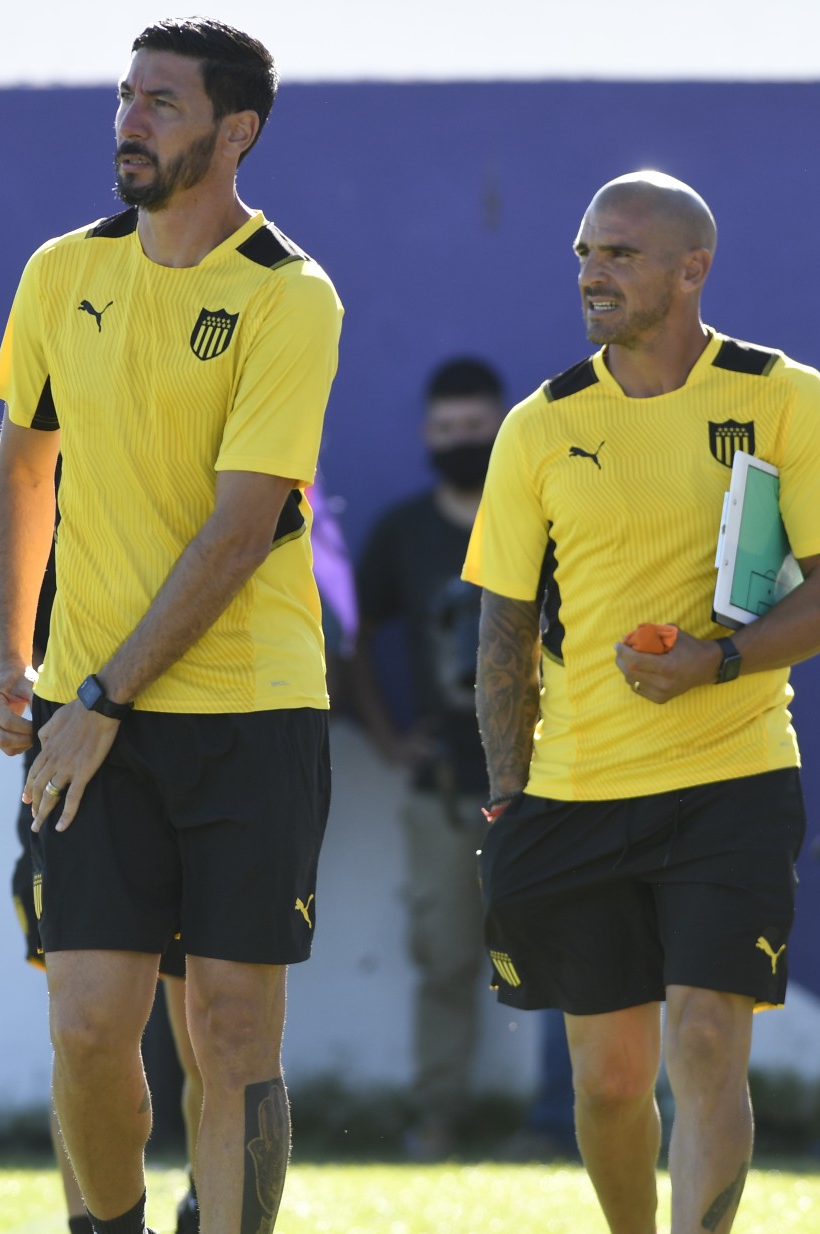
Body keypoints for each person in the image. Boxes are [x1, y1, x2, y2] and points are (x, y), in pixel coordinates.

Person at [0, 19, 343, 1234]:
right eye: (126, 96)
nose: (130, 120)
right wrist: (17, 664)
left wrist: (99, 701)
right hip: (87, 714)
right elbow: (23, 472)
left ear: (234, 132)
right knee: (85, 1024)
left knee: (231, 1030)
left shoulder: (289, 295)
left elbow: (242, 530)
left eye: (162, 103)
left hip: (248, 712)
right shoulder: (57, 272)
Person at [466, 171, 820, 1234]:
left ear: (693, 268)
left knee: (703, 1038)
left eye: (619, 254)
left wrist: (719, 663)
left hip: (732, 777)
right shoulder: (539, 425)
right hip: (574, 789)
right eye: (583, 255)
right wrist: (508, 794)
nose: (591, 274)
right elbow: (504, 633)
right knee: (607, 1080)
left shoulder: (784, 395)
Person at [0, 446, 202, 1234]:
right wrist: (19, 681)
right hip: (70, 771)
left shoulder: (198, 426)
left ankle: (208, 1202)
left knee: (210, 1024)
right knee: (86, 1034)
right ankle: (91, 1222)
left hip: (206, 752)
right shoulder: (17, 459)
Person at [350, 356, 507, 1160]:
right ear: (425, 435)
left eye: (475, 429)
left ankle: (570, 1121)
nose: (460, 442)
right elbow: (352, 637)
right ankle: (437, 1119)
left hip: (548, 780)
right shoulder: (403, 533)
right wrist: (385, 735)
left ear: (502, 427)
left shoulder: (534, 517)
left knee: (584, 955)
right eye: (446, 430)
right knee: (444, 959)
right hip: (442, 786)